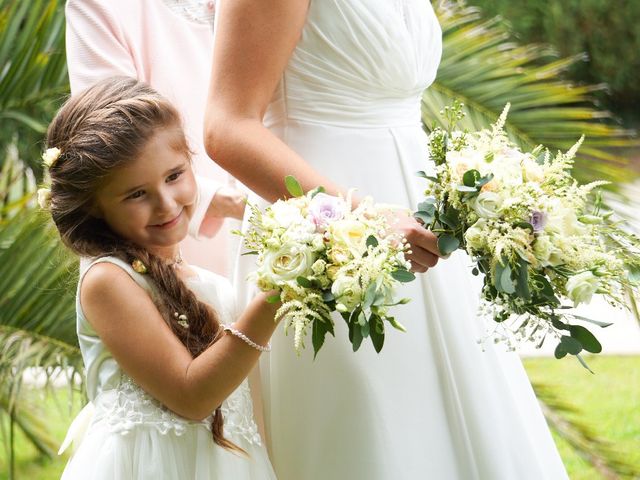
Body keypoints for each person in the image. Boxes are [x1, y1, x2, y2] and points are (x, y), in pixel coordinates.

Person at [204, 1, 569, 479]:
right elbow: (226, 127)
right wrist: (361, 218)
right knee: (366, 427)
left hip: (422, 236)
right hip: (329, 242)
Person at [44, 77, 277, 479]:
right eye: (136, 194)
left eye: (174, 176)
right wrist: (278, 298)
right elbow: (192, 396)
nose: (166, 204)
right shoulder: (108, 280)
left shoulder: (198, 278)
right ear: (96, 207)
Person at [65, 0, 245, 274]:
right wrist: (226, 202)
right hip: (162, 240)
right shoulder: (100, 6)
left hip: (279, 221)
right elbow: (111, 143)